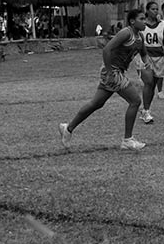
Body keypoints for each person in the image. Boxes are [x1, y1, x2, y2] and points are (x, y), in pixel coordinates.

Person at [58, 9, 150, 151]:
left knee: (96, 103)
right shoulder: (126, 33)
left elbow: (143, 53)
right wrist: (109, 70)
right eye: (142, 18)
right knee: (135, 101)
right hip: (112, 71)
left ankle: (68, 128)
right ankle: (127, 140)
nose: (145, 21)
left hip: (117, 71)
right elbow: (107, 49)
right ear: (132, 21)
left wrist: (147, 65)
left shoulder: (140, 37)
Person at [139, 2, 164, 124]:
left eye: (157, 9)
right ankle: (146, 111)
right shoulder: (141, 25)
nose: (155, 11)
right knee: (149, 82)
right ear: (147, 10)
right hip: (145, 57)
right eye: (153, 9)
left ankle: (145, 108)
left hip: (159, 57)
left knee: (152, 86)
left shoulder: (162, 24)